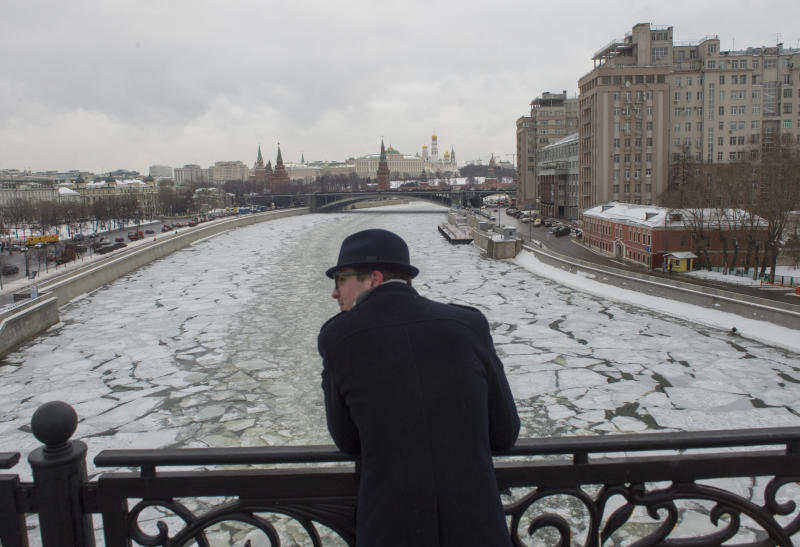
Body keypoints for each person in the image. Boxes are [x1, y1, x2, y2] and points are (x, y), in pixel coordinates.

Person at [318, 228, 520, 547]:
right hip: (479, 529)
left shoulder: (338, 338)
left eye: (341, 279)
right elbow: (505, 433)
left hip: (390, 530)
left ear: (375, 278)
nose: (334, 293)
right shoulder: (469, 324)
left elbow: (347, 440)